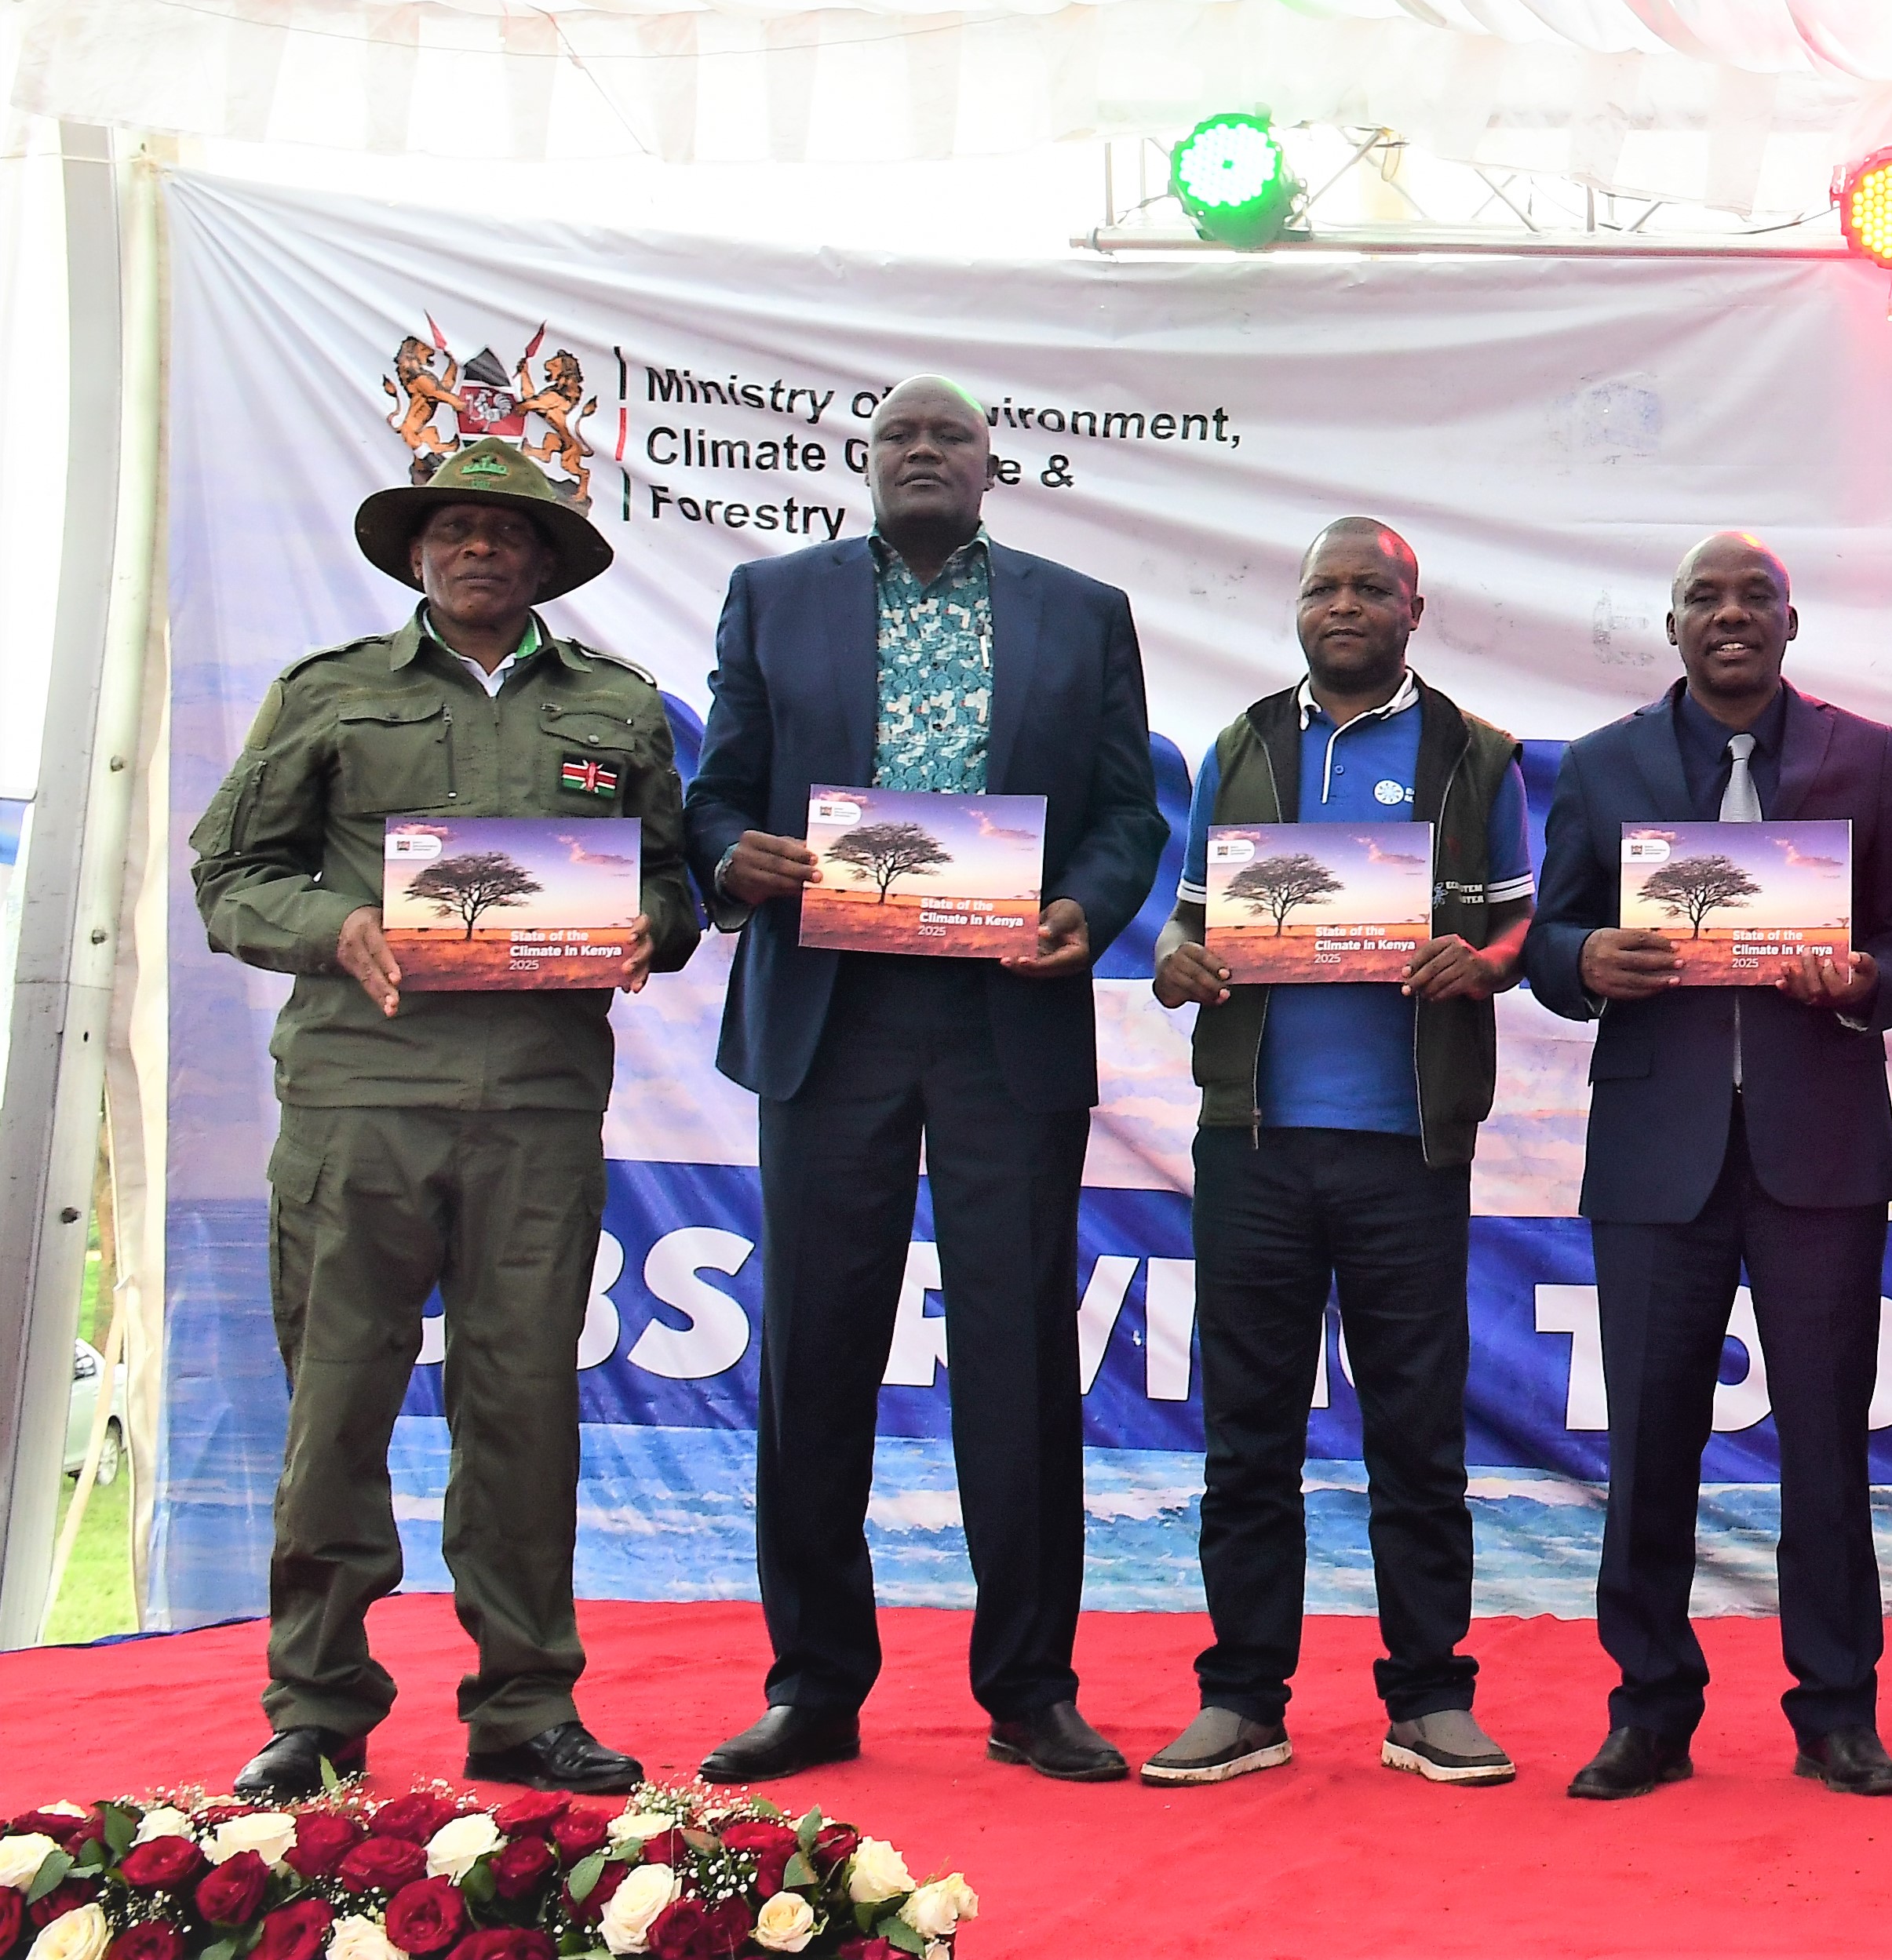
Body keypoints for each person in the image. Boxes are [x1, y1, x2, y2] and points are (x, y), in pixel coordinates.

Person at [191, 438, 697, 1802]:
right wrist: (333, 920)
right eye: (454, 529)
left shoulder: (619, 707)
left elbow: (675, 884)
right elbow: (230, 872)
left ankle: (527, 1703)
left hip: (537, 1105)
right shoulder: (331, 694)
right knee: (339, 1403)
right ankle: (316, 1707)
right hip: (362, 1096)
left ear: (544, 564)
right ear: (417, 554)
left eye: (507, 532)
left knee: (522, 1407)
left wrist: (646, 925)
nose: (480, 548)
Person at [687, 377, 1169, 1786]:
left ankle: (1030, 1691)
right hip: (827, 1021)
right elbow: (718, 791)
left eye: (946, 437)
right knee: (816, 1356)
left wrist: (1088, 906)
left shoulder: (1080, 612)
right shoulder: (772, 598)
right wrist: (738, 858)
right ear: (866, 459)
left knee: (1019, 1356)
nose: (920, 452)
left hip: (1001, 1019)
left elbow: (1127, 808)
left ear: (988, 465)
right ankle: (814, 1689)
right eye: (897, 434)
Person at [1523, 532, 1892, 1802]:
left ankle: (1836, 1713)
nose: (1729, 616)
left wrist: (1867, 979)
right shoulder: (1603, 767)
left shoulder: (1860, 758)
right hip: (1659, 1158)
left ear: (1789, 623)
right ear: (1671, 625)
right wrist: (1587, 961)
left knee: (1827, 1445)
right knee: (1649, 1448)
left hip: (1817, 1151)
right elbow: (1546, 938)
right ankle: (1649, 1709)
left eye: (1752, 597)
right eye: (1704, 598)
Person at [1141, 519, 1532, 1790]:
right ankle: (1244, 1698)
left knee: (1416, 1437)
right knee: (1247, 1434)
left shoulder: (1470, 756)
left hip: (1408, 1147)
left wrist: (1477, 966)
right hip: (1253, 1142)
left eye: (1372, 587)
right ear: (1299, 608)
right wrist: (1175, 963)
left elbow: (1518, 927)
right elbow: (1189, 927)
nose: (1346, 604)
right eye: (1326, 587)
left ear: (1415, 610)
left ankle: (1428, 1697)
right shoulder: (1241, 746)